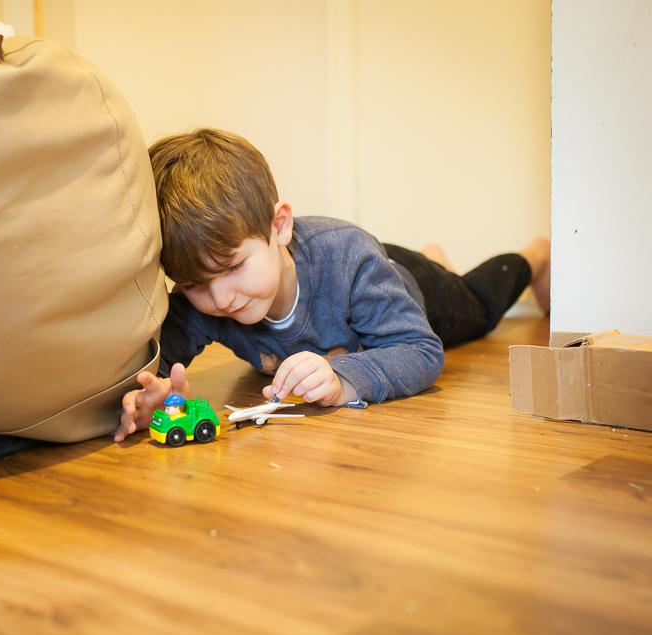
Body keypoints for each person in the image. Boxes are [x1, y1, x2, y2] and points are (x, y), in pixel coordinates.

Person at [115, 128, 551, 442]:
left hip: (410, 285)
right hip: (375, 266)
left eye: (232, 268)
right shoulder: (206, 295)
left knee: (478, 302)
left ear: (279, 226)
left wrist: (342, 380)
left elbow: (421, 351)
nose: (221, 297)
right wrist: (153, 395)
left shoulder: (347, 260)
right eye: (194, 284)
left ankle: (535, 254)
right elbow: (154, 360)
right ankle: (435, 254)